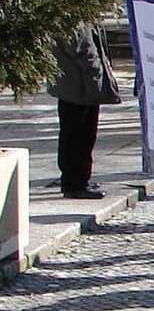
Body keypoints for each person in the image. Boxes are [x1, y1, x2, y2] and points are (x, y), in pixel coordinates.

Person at [47, 23, 121, 200]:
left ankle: (76, 180)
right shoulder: (75, 15)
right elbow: (84, 49)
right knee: (80, 136)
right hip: (80, 85)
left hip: (72, 83)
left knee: (74, 134)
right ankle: (76, 183)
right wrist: (96, 76)